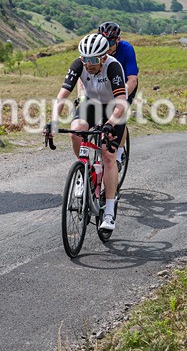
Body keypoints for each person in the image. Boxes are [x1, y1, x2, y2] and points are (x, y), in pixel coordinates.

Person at [44, 33, 128, 232]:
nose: (88, 64)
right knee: (76, 131)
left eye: (93, 60)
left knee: (108, 156)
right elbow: (62, 95)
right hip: (91, 103)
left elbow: (122, 104)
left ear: (103, 57)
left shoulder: (113, 67)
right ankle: (84, 172)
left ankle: (108, 211)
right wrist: (53, 122)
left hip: (114, 107)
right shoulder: (79, 64)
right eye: (84, 58)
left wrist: (109, 124)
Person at [97, 21, 138, 166]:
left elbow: (132, 79)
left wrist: (120, 96)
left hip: (125, 85)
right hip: (105, 84)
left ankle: (119, 154)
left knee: (120, 115)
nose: (106, 46)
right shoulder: (97, 48)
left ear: (118, 40)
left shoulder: (126, 49)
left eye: (110, 42)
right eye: (103, 41)